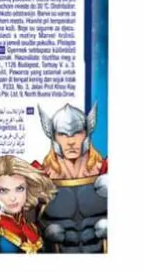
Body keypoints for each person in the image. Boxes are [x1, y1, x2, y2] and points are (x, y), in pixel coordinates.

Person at [33, 103, 108, 253]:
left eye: (77, 133)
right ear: (52, 135)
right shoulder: (38, 176)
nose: (71, 141)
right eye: (62, 134)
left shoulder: (106, 170)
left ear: (87, 132)